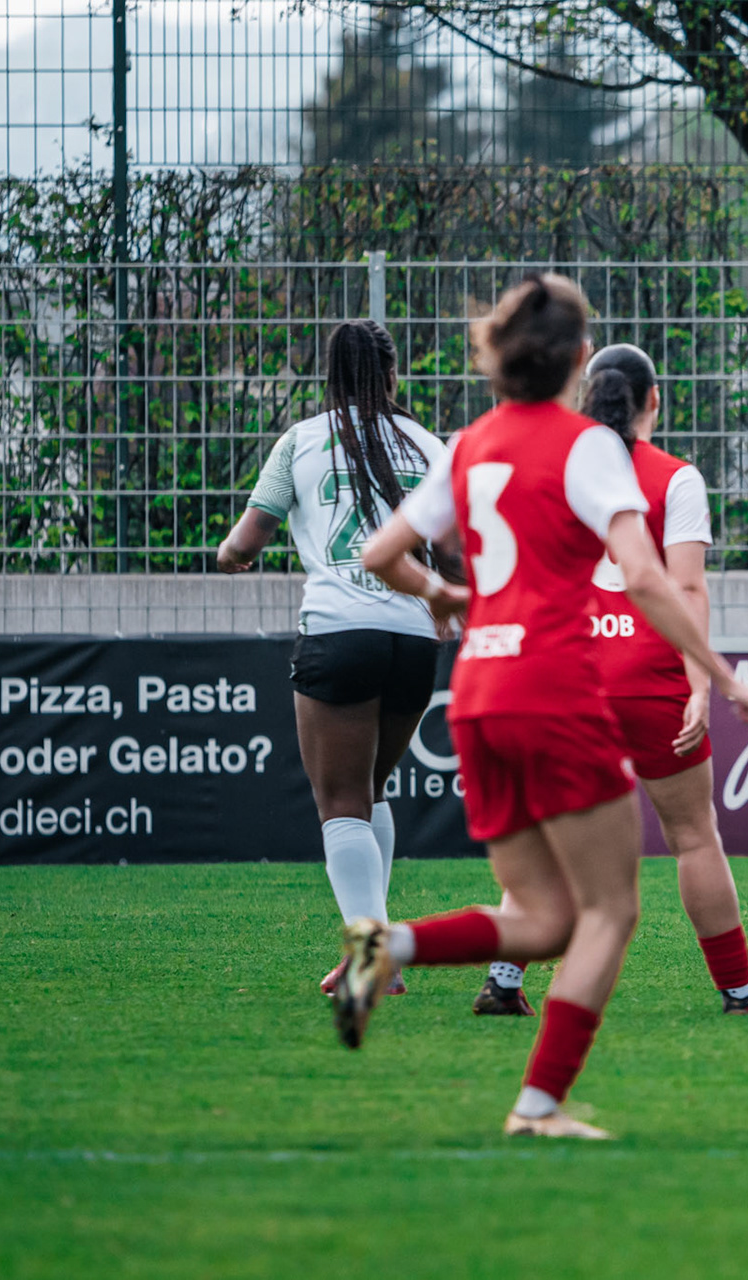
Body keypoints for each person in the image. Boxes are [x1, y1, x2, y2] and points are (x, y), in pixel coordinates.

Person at [346, 273, 748, 1140]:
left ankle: (389, 944)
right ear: (580, 360)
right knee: (610, 910)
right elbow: (648, 576)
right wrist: (718, 675)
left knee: (539, 921)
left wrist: (443, 595)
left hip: (476, 696)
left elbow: (377, 551)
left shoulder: (466, 446)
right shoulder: (587, 447)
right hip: (552, 688)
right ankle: (538, 1105)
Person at [471, 343, 748, 1019]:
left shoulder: (552, 470)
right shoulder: (674, 478)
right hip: (647, 674)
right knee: (692, 834)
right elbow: (683, 586)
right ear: (656, 400)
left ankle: (504, 981)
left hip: (564, 672)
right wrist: (703, 682)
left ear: (583, 398)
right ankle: (738, 989)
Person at [217, 318, 450, 995]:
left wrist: (233, 558)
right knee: (371, 789)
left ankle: (370, 957)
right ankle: (373, 948)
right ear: (392, 374)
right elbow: (456, 549)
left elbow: (245, 540)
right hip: (413, 638)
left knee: (341, 800)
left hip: (338, 631)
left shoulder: (303, 439)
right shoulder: (428, 443)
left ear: (330, 375)